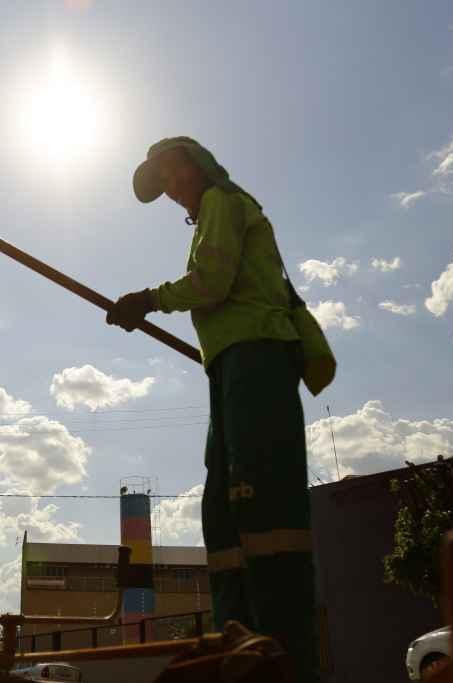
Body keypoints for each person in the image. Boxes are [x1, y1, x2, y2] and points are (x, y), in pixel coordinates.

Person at [107, 137, 317, 682]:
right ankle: (238, 644)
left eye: (171, 172)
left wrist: (148, 300)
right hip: (230, 364)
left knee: (260, 497)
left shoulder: (224, 201)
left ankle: (281, 652)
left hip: (258, 356)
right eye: (162, 183)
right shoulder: (208, 217)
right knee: (224, 505)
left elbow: (212, 282)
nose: (171, 188)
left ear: (196, 164)